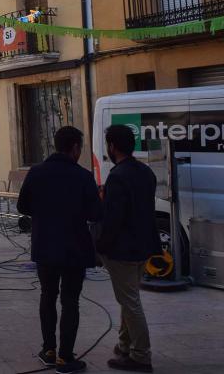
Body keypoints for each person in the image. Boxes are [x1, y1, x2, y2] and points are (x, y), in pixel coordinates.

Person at [17, 126, 104, 374]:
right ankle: (66, 357)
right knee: (70, 301)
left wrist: (44, 213)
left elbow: (23, 205)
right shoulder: (83, 177)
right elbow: (96, 214)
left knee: (47, 296)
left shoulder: (36, 172)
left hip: (45, 245)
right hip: (75, 247)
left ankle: (48, 350)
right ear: (75, 148)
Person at [96, 124, 161, 373]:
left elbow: (114, 218)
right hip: (144, 246)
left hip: (123, 249)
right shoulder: (146, 172)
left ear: (112, 146)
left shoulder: (117, 176)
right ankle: (125, 345)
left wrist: (101, 246)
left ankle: (141, 355)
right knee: (129, 297)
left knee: (130, 302)